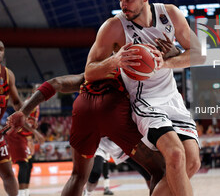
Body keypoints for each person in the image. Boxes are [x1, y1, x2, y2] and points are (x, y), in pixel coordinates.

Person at [85, 0, 205, 196]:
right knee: (176, 155)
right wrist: (115, 60)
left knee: (192, 162)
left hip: (172, 98)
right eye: (120, 0)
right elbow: (89, 71)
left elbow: (199, 55)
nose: (123, 5)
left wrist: (166, 62)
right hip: (143, 101)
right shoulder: (114, 27)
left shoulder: (170, 14)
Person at [7, 73, 165, 196]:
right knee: (158, 170)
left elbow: (56, 83)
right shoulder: (131, 73)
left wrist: (23, 112)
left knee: (78, 176)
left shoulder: (91, 73)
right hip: (114, 117)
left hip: (85, 111)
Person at [84, 137, 152, 196]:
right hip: (99, 144)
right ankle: (88, 193)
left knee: (146, 171)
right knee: (95, 172)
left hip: (118, 142)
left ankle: (155, 193)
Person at [5, 105, 44, 196]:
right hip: (16, 135)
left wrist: (32, 137)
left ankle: (26, 192)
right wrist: (36, 133)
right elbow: (21, 120)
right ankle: (21, 193)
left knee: (29, 164)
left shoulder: (37, 106)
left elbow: (30, 123)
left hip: (25, 137)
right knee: (24, 164)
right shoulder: (30, 103)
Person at [0, 40, 22, 196]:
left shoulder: (7, 75)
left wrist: (22, 116)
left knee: (7, 173)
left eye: (1, 49)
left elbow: (17, 103)